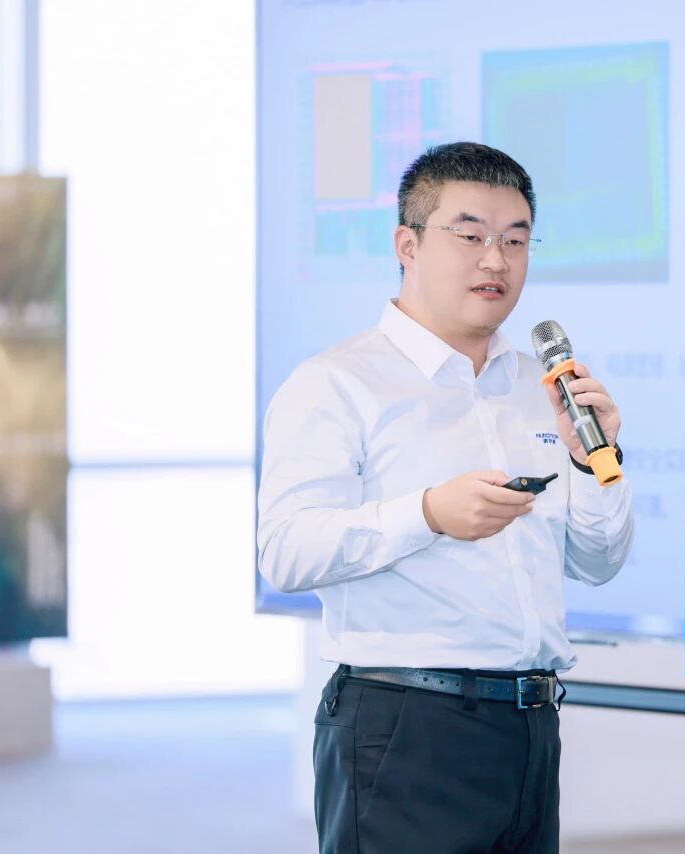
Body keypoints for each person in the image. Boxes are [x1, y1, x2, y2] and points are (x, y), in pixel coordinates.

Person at [257, 142, 634, 853]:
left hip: (530, 727)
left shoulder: (540, 388)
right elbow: (286, 552)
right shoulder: (337, 383)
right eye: (470, 236)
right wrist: (427, 514)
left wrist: (592, 462)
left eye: (515, 240)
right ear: (408, 245)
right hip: (407, 727)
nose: (496, 260)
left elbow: (598, 561)